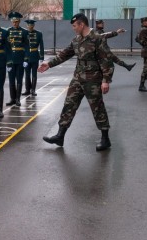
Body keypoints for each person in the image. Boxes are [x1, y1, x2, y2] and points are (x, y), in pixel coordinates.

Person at [38, 13, 114, 151]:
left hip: (93, 79)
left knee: (97, 108)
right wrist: (49, 64)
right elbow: (65, 54)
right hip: (78, 78)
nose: (73, 28)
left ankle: (105, 139)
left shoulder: (97, 38)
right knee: (69, 104)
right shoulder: (77, 40)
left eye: (74, 26)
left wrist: (106, 80)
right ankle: (60, 136)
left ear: (81, 24)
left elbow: (106, 60)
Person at [5, 11, 29, 107]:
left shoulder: (24, 32)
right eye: (13, 22)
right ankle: (12, 98)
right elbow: (6, 46)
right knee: (11, 80)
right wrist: (6, 60)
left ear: (19, 21)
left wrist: (26, 59)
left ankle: (18, 99)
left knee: (19, 79)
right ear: (11, 22)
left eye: (16, 22)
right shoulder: (7, 31)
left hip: (20, 59)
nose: (15, 23)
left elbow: (27, 46)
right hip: (11, 59)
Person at [23, 19, 44, 96]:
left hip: (35, 55)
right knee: (27, 74)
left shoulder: (38, 34)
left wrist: (41, 57)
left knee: (34, 74)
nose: (30, 26)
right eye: (29, 25)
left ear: (33, 25)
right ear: (27, 26)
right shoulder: (24, 33)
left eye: (31, 25)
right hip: (26, 56)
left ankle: (33, 90)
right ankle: (27, 90)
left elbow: (41, 46)